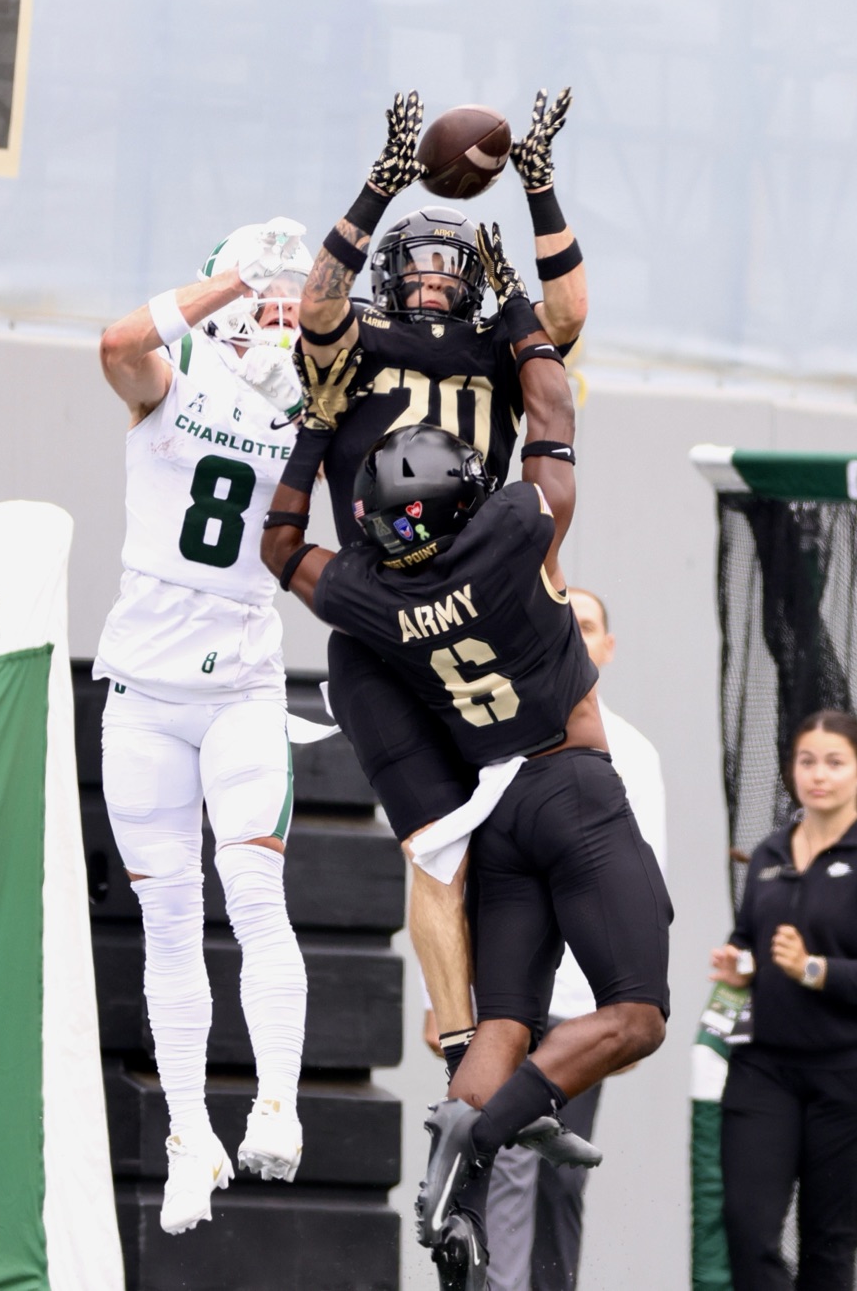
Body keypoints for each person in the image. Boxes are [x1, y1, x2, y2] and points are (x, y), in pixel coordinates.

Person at [281, 393, 671, 1290]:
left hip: (492, 808)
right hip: (571, 787)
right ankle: (477, 1136)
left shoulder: (379, 605)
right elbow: (550, 439)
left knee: (499, 1024)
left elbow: (287, 554)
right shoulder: (515, 551)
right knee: (638, 1015)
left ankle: (456, 1196)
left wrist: (315, 434)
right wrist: (528, 340)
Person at [259, 89, 588, 1086]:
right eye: (421, 262)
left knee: (525, 817)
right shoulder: (357, 337)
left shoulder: (498, 345)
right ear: (392, 274)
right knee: (437, 843)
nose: (437, 277)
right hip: (385, 596)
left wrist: (537, 187)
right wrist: (379, 185)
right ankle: (460, 1042)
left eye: (453, 265)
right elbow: (320, 305)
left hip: (481, 589)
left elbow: (565, 317)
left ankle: (516, 1022)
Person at [93, 220, 314, 1235]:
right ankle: (190, 1132)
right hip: (145, 688)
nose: (277, 308)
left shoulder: (313, 400)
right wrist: (227, 283)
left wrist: (316, 396)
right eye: (265, 291)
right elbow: (115, 344)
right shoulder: (171, 380)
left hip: (240, 685)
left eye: (286, 293)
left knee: (256, 890)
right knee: (170, 920)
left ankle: (276, 1100)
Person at [473, 588, 667, 1291]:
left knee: (559, 1177)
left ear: (607, 647)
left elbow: (647, 882)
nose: (575, 636)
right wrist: (447, 998)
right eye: (566, 622)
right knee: (499, 1167)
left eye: (588, 625)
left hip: (584, 1009)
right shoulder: (495, 735)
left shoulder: (633, 753)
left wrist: (628, 1012)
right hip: (507, 998)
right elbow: (453, 867)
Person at [709, 711, 857, 1291]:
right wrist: (739, 963)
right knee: (747, 1230)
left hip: (853, 1077)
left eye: (834, 762)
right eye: (807, 762)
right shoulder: (768, 856)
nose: (819, 775)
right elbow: (749, 938)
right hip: (764, 1071)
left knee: (828, 1246)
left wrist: (813, 969)